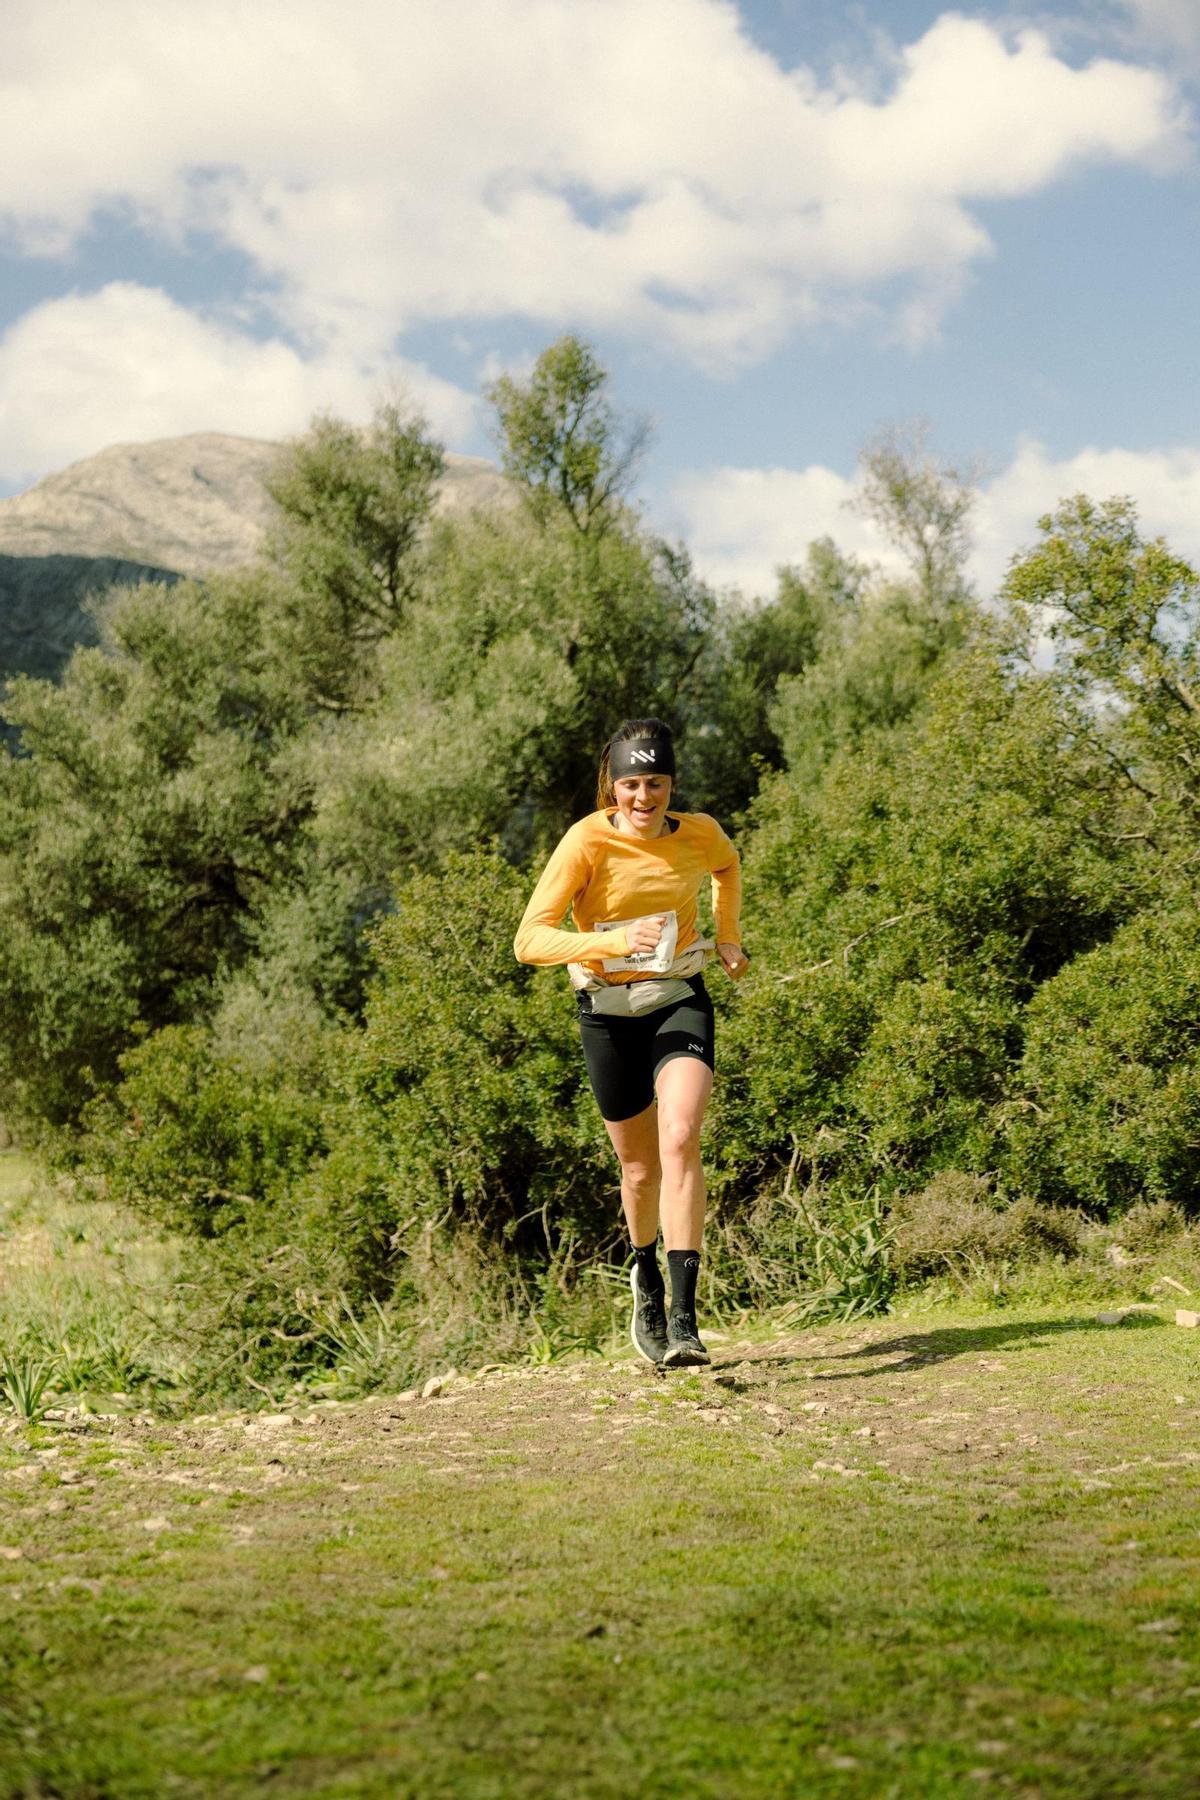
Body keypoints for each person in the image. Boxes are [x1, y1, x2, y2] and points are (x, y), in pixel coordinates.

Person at [513, 718, 748, 1367]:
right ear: (614, 785)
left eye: (658, 784)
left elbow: (727, 868)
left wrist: (727, 936)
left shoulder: (698, 832)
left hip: (678, 999)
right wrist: (614, 941)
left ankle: (684, 1317)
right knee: (640, 1168)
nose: (645, 799)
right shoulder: (585, 841)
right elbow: (528, 941)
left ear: (673, 784)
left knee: (681, 1134)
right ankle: (644, 1273)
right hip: (607, 1012)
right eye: (633, 785)